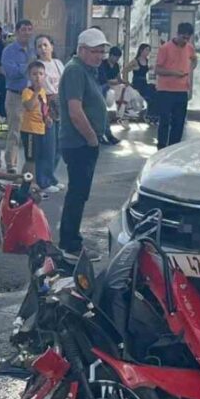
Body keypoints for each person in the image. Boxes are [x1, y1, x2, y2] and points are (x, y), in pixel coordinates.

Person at [58, 29, 110, 255]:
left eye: (101, 51)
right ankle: (70, 243)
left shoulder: (85, 70)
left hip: (83, 142)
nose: (99, 56)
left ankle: (72, 239)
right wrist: (91, 139)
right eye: (94, 51)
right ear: (81, 50)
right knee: (77, 194)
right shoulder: (75, 71)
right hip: (79, 143)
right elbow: (75, 111)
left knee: (80, 194)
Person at [154, 22, 197, 149]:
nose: (185, 41)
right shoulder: (165, 48)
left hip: (182, 89)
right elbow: (157, 70)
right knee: (165, 120)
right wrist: (173, 73)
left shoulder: (189, 48)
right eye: (183, 37)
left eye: (188, 38)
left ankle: (174, 146)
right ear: (177, 34)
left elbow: (194, 59)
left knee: (179, 122)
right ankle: (162, 146)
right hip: (166, 90)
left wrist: (189, 71)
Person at [2, 20, 35, 172]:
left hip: (32, 95)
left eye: (29, 29)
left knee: (31, 131)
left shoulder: (33, 49)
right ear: (17, 31)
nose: (27, 32)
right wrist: (28, 64)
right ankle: (11, 164)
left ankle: (30, 164)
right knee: (14, 131)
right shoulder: (9, 51)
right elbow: (11, 73)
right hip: (15, 95)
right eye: (23, 29)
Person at [34, 35, 64, 194]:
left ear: (52, 46)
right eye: (39, 46)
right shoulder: (37, 67)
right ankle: (43, 180)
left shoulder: (58, 64)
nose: (43, 49)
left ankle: (51, 176)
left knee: (59, 145)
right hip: (45, 104)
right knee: (47, 146)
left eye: (45, 45)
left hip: (60, 103)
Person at [20, 61, 51, 189]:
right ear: (29, 76)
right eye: (34, 74)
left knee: (36, 158)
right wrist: (36, 92)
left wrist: (47, 118)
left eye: (40, 74)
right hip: (29, 129)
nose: (37, 77)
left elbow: (43, 108)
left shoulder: (43, 92)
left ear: (44, 76)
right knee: (30, 159)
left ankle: (30, 181)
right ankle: (29, 183)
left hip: (40, 128)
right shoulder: (27, 91)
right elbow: (29, 106)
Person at [97, 46, 123, 144]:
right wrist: (113, 81)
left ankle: (107, 133)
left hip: (109, 88)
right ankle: (105, 134)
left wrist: (115, 81)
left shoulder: (116, 66)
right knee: (103, 112)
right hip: (102, 87)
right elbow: (104, 80)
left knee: (106, 113)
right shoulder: (102, 64)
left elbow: (118, 79)